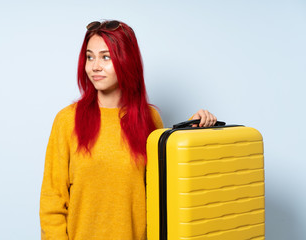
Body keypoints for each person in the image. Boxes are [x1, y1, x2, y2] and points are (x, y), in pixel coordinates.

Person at [39, 20, 217, 240]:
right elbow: (52, 200)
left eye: (106, 57)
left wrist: (191, 132)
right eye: (89, 56)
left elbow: (163, 186)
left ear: (126, 60)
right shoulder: (67, 120)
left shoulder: (150, 118)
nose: (95, 66)